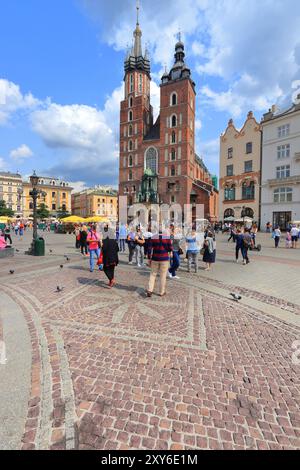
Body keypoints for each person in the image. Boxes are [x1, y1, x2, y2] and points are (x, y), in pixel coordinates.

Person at [147, 228, 173, 298]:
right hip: (164, 259)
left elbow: (149, 249)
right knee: (163, 276)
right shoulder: (167, 238)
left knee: (152, 274)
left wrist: (149, 258)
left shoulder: (153, 237)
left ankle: (150, 290)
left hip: (155, 258)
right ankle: (161, 292)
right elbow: (170, 248)